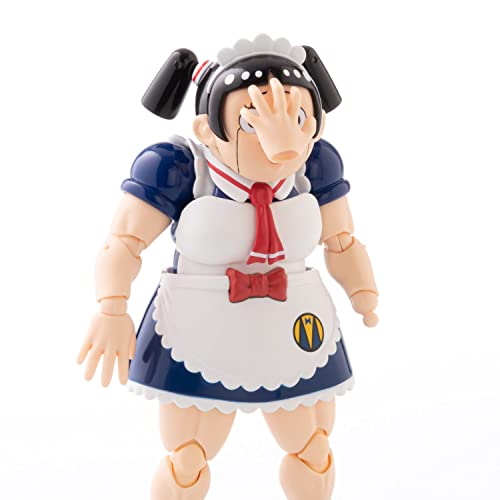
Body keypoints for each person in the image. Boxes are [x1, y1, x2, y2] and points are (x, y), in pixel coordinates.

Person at [78, 34, 379, 500]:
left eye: (298, 118)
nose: (282, 143)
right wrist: (111, 307)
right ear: (206, 129)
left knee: (314, 448)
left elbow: (342, 240)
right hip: (201, 330)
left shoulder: (314, 169)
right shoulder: (179, 169)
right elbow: (124, 241)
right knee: (187, 458)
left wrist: (363, 290)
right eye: (251, 122)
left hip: (292, 326)